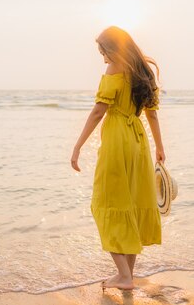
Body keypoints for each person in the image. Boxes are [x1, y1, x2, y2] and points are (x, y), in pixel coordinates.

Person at [70, 26, 165, 292]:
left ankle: (123, 275)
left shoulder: (115, 70)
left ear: (112, 48)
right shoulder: (143, 72)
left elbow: (99, 111)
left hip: (117, 142)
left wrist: (77, 146)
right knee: (131, 205)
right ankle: (127, 276)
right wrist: (159, 147)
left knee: (105, 204)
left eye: (103, 52)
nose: (103, 58)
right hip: (138, 140)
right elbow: (152, 114)